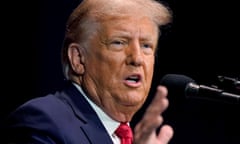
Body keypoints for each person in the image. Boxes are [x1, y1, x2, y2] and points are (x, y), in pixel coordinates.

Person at [2, 0, 174, 143]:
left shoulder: (134, 136)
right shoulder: (42, 122)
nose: (137, 58)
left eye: (146, 45)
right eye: (118, 43)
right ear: (78, 58)